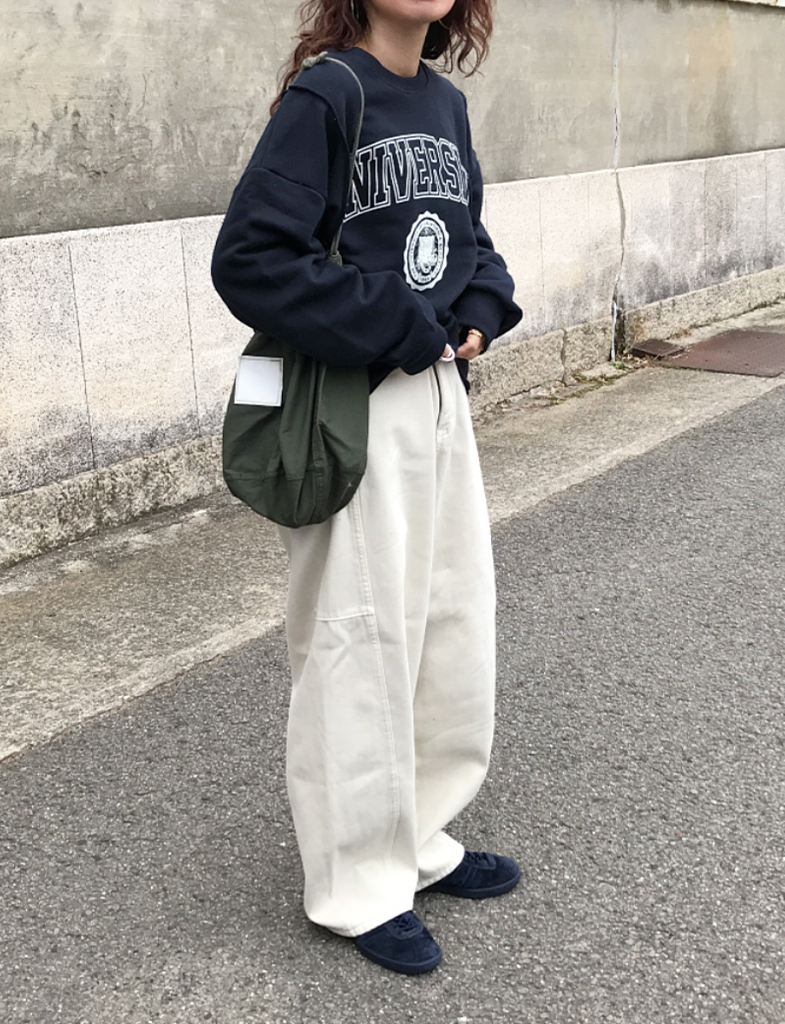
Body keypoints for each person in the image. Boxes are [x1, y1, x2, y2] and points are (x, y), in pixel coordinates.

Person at [211, 0, 523, 976]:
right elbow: (252, 258)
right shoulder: (329, 93)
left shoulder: (442, 104)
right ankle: (356, 883)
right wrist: (397, 320)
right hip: (353, 405)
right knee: (356, 637)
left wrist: (480, 304)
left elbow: (468, 239)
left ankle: (418, 839)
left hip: (437, 395)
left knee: (448, 622)